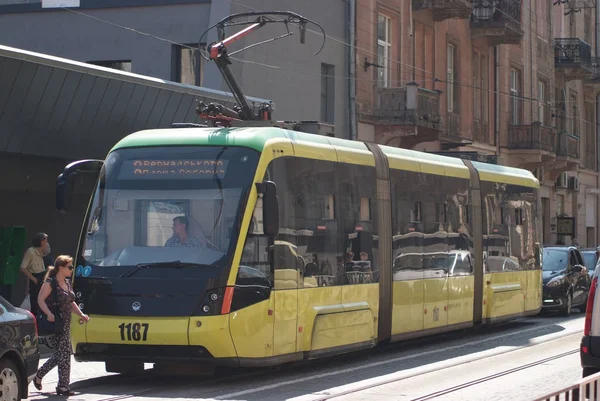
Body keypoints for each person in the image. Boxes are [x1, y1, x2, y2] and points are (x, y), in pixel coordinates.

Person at [33, 255, 89, 396]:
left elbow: (71, 303)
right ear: (61, 268)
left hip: (66, 322)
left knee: (61, 354)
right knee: (64, 354)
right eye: (69, 267)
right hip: (54, 323)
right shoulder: (50, 283)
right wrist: (48, 314)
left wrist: (81, 314)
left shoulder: (68, 283)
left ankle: (40, 374)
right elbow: (40, 299)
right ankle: (63, 386)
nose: (72, 269)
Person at [20, 233, 49, 318]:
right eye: (45, 241)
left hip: (42, 277)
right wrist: (34, 279)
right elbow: (23, 267)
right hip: (36, 277)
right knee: (35, 303)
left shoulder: (40, 252)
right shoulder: (31, 251)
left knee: (43, 301)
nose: (47, 243)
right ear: (41, 241)